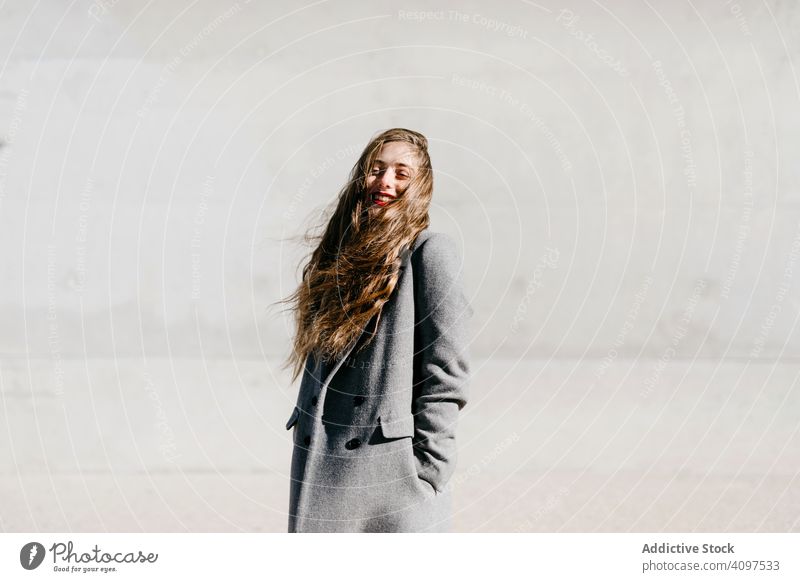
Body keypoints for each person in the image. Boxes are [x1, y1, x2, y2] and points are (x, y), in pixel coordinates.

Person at [281, 128, 473, 532]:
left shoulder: (428, 252)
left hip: (391, 481)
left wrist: (427, 471)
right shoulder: (336, 255)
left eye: (401, 173)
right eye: (375, 169)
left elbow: (446, 373)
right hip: (322, 460)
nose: (385, 182)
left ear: (420, 185)